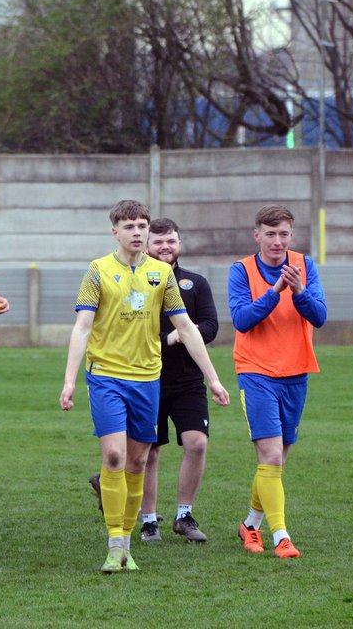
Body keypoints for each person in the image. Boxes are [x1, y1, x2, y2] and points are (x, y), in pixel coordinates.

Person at [59, 199, 229, 574]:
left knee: (137, 460)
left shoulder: (160, 275)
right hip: (106, 376)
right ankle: (114, 544)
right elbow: (82, 327)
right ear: (115, 231)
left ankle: (127, 542)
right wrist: (70, 381)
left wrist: (214, 379)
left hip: (147, 378)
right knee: (116, 457)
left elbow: (186, 328)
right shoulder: (97, 271)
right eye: (129, 226)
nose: (136, 232)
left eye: (141, 226)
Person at [229, 205, 326, 559]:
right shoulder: (241, 270)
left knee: (277, 462)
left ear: (291, 235)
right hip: (256, 372)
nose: (277, 241)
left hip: (296, 371)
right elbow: (241, 319)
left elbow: (320, 317)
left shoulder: (305, 265)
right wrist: (275, 291)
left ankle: (249, 524)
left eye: (283, 234)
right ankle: (280, 536)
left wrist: (298, 291)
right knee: (270, 454)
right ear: (257, 236)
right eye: (270, 234)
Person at [138, 218, 218, 543]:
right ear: (146, 246)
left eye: (171, 241)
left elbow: (211, 326)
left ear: (179, 244)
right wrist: (171, 338)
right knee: (149, 452)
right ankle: (148, 520)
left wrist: (191, 333)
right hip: (146, 379)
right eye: (158, 242)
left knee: (197, 443)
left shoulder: (196, 284)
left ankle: (184, 515)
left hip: (187, 382)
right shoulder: (137, 284)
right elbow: (131, 334)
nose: (165, 247)